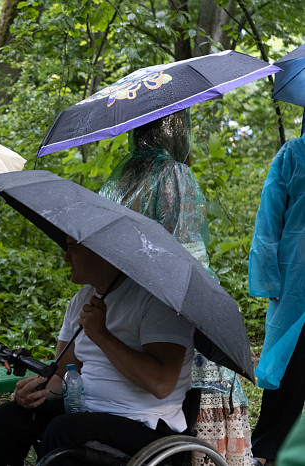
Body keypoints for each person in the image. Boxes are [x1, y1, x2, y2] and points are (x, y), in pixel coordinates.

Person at [100, 109, 252, 466]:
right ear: (176, 130)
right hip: (175, 297)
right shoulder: (174, 174)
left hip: (131, 300)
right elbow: (189, 251)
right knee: (196, 381)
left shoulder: (120, 176)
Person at [0, 236, 195, 465]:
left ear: (103, 252)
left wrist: (101, 335)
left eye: (72, 247)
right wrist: (33, 393)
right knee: (4, 419)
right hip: (88, 410)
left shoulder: (157, 302)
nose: (65, 256)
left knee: (64, 432)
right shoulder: (82, 299)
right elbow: (62, 374)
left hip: (144, 423)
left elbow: (161, 384)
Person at [248, 133, 305, 466]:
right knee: (288, 363)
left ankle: (271, 450)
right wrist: (268, 277)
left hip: (294, 273)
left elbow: (269, 217)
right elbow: (269, 219)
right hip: (295, 279)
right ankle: (268, 450)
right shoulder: (293, 154)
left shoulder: (293, 152)